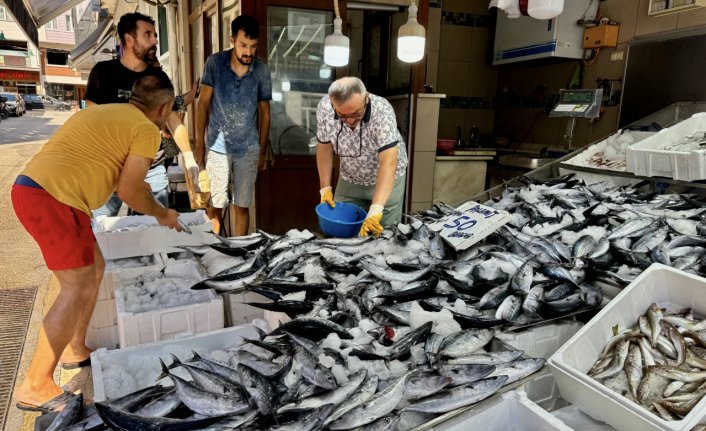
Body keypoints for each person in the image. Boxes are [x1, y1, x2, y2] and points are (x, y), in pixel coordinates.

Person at [13, 72, 181, 413]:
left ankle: (76, 347)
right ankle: (35, 384)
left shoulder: (105, 112)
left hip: (37, 189)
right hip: (53, 199)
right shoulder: (146, 130)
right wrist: (163, 215)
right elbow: (129, 191)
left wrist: (154, 203)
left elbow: (127, 179)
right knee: (75, 287)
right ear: (164, 107)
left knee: (95, 267)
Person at [85, 12, 199, 217]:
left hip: (151, 168)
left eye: (155, 34)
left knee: (153, 233)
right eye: (148, 34)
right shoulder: (103, 73)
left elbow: (172, 118)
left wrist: (189, 157)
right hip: (109, 169)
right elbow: (91, 121)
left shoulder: (158, 77)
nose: (155, 40)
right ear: (129, 39)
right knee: (100, 233)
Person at [195, 14, 271, 236]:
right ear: (232, 41)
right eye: (243, 45)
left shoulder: (261, 70)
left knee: (242, 205)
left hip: (248, 148)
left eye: (253, 47)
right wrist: (200, 145)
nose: (248, 52)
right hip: (217, 148)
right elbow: (202, 106)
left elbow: (265, 113)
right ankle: (215, 251)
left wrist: (263, 150)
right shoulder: (215, 63)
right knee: (215, 205)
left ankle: (238, 252)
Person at [316, 76, 408, 237]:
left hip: (386, 178)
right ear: (332, 103)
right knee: (340, 230)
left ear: (366, 98)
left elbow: (388, 163)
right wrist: (325, 188)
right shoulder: (324, 108)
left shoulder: (382, 110)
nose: (350, 120)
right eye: (343, 116)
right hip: (350, 178)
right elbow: (324, 147)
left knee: (384, 234)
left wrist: (376, 209)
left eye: (356, 113)